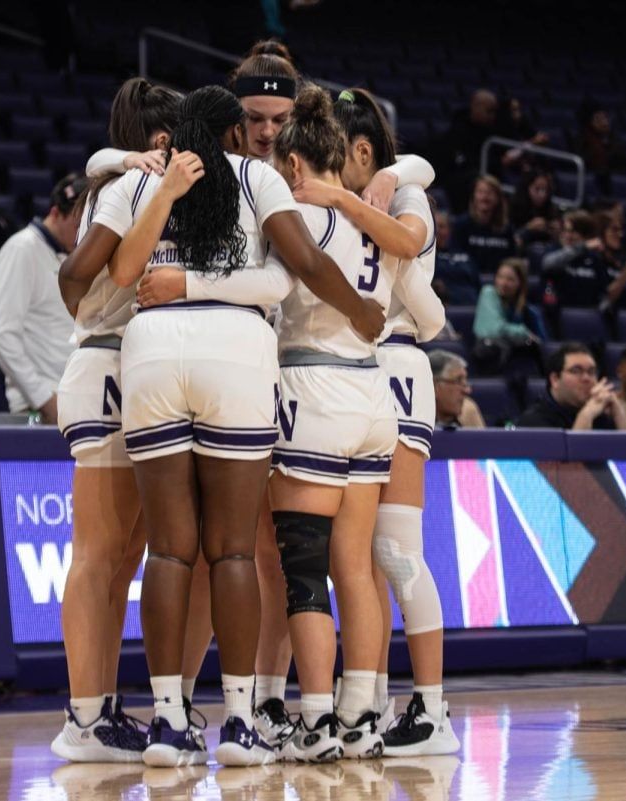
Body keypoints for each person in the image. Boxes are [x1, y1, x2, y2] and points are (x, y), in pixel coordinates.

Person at [63, 84, 383, 767]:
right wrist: (361, 313)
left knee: (168, 551)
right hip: (235, 354)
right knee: (233, 550)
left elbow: (100, 273)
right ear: (235, 132)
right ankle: (240, 720)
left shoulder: (138, 180)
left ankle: (167, 720)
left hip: (148, 353)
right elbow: (299, 267)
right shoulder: (257, 177)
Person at [250, 85, 399, 761]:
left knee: (304, 569)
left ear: (293, 165)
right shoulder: (377, 215)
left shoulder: (303, 216)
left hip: (314, 386)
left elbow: (280, 286)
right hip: (374, 392)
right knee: (358, 569)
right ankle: (362, 712)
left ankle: (315, 720)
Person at [325, 86, 458, 756]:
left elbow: (427, 313)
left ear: (364, 150)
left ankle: (433, 710)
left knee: (397, 552)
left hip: (398, 367)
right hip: (358, 370)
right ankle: (370, 700)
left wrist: (388, 178)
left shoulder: (402, 196)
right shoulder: (365, 194)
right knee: (359, 555)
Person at [50, 77, 179, 764]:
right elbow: (76, 273)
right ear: (160, 141)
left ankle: (98, 706)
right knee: (98, 555)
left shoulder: (127, 179)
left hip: (127, 369)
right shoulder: (126, 184)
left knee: (123, 557)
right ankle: (84, 713)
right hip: (103, 362)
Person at [0, 174, 86, 420]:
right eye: (78, 226)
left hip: (76, 400)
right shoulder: (22, 249)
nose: (83, 236)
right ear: (55, 213)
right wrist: (43, 399)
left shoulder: (75, 257)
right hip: (41, 406)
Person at [516, 343, 626, 430]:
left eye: (591, 372)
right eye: (576, 371)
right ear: (555, 379)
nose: (586, 378)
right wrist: (587, 415)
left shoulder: (599, 414)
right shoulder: (533, 421)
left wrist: (617, 411)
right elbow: (574, 460)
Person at [472, 258, 547, 374]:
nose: (503, 283)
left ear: (520, 283)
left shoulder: (528, 311)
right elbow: (493, 330)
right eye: (500, 277)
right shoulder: (488, 293)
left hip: (516, 363)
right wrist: (523, 333)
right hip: (492, 360)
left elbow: (541, 341)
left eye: (510, 279)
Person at [450, 175, 516, 277]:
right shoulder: (461, 225)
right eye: (480, 192)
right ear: (474, 197)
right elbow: (456, 257)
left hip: (499, 282)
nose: (484, 197)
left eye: (489, 193)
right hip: (468, 279)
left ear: (498, 198)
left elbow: (511, 260)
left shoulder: (506, 229)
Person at [432, 209, 479, 304]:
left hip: (471, 303)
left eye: (441, 226)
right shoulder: (424, 256)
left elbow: (477, 282)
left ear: (449, 230)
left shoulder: (464, 254)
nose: (437, 230)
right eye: (434, 226)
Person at [576, 99, 626, 180]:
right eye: (598, 119)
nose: (604, 123)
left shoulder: (614, 138)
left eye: (605, 118)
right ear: (590, 122)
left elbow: (623, 161)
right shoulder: (582, 139)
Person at [430, 350, 484, 429]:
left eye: (465, 382)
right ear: (434, 387)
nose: (467, 390)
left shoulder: (469, 413)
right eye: (458, 381)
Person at [509, 169, 561, 245]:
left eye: (545, 190)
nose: (542, 195)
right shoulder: (513, 207)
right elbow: (509, 239)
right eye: (537, 189)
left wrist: (557, 233)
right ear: (527, 188)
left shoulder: (552, 209)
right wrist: (528, 228)